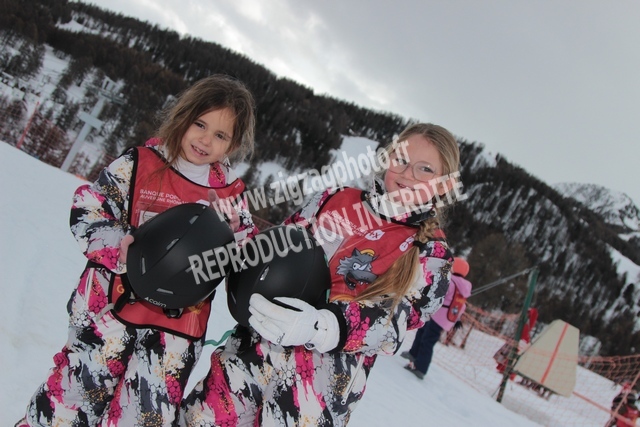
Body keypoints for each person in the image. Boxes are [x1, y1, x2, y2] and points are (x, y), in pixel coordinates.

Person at [15, 74, 258, 427]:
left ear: (233, 145)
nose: (206, 140)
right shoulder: (141, 163)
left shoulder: (229, 195)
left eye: (221, 135)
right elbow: (90, 207)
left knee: (145, 415)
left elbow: (245, 255)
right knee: (69, 404)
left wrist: (235, 239)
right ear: (184, 116)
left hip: (175, 333)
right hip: (109, 312)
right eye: (200, 124)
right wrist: (118, 246)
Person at [181, 123, 461, 426]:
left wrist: (323, 327)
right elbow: (276, 252)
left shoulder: (431, 253)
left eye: (425, 169)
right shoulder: (335, 198)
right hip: (252, 350)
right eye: (402, 160)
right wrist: (237, 233)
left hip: (315, 388)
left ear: (444, 185)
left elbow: (393, 324)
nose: (408, 174)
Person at [401, 256, 473, 379]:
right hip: (446, 318)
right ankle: (413, 353)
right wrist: (457, 319)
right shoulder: (465, 287)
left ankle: (420, 368)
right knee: (422, 331)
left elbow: (438, 294)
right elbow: (462, 306)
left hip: (438, 315)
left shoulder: (450, 280)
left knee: (427, 341)